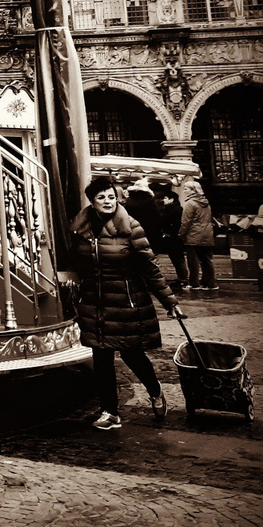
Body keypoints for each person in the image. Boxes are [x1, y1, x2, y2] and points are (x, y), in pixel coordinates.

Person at [70, 175, 182, 430]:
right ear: (92, 201)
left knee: (133, 355)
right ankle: (110, 412)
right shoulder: (79, 229)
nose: (107, 202)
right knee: (101, 359)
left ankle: (155, 391)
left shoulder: (131, 227)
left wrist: (170, 302)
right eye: (101, 198)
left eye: (111, 196)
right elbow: (76, 264)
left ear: (117, 198)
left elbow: (150, 268)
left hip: (127, 300)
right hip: (94, 302)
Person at [178, 178, 218, 291]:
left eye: (186, 189)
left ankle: (194, 283)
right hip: (207, 232)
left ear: (193, 190)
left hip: (194, 234)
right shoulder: (205, 202)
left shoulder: (190, 203)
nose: (184, 191)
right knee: (207, 260)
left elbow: (186, 221)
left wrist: (181, 234)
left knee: (193, 260)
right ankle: (210, 283)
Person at [151, 181, 189, 287]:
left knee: (177, 259)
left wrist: (168, 232)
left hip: (173, 238)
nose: (163, 200)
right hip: (174, 237)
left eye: (166, 198)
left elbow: (169, 222)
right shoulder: (176, 209)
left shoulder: (172, 210)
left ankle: (183, 279)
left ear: (171, 199)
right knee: (177, 259)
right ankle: (182, 278)